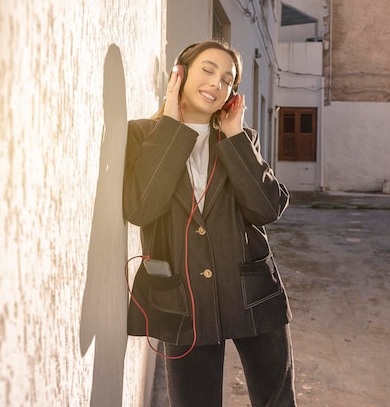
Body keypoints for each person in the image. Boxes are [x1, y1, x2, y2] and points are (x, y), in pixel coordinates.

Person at [122, 40, 297, 407]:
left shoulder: (240, 139)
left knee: (277, 401)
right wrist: (171, 120)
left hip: (251, 291)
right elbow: (140, 207)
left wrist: (234, 136)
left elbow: (267, 208)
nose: (217, 83)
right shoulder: (143, 134)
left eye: (228, 79)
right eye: (208, 70)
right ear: (180, 73)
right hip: (182, 299)